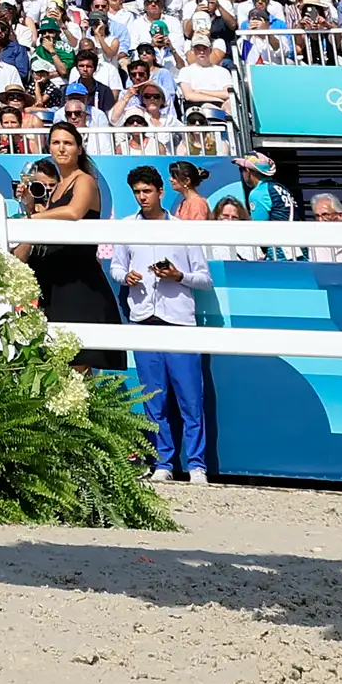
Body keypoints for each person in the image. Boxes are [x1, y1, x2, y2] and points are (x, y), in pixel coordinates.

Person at [111, 164, 211, 483]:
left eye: (147, 191)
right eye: (137, 192)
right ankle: (163, 463)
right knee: (154, 400)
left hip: (179, 321)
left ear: (160, 192)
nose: (142, 197)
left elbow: (204, 278)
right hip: (143, 319)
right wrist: (126, 277)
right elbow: (116, 267)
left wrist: (178, 276)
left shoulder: (182, 229)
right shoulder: (126, 227)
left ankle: (196, 465)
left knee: (190, 399)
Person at [18, 119, 124, 374]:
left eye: (68, 143)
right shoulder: (56, 189)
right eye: (56, 142)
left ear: (79, 148)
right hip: (55, 283)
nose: (62, 148)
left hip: (78, 284)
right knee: (58, 366)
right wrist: (29, 205)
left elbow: (75, 211)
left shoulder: (85, 180)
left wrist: (33, 217)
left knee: (76, 364)